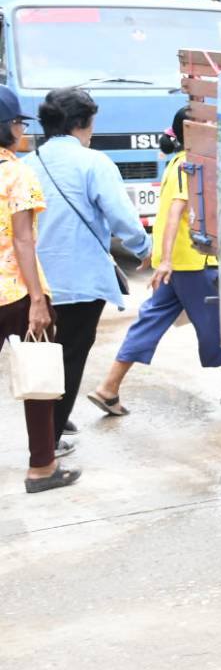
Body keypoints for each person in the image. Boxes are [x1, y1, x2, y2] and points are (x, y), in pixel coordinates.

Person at [87, 108, 221, 415]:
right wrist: (166, 260)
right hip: (193, 262)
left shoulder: (175, 163)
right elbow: (175, 213)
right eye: (208, 126)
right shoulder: (191, 165)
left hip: (176, 265)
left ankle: (108, 388)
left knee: (149, 322)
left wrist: (161, 257)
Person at [27, 88, 153, 445]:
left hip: (34, 283)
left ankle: (51, 420)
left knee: (41, 355)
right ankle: (48, 442)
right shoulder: (94, 163)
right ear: (81, 123)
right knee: (70, 355)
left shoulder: (26, 165)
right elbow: (121, 216)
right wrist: (144, 248)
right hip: (80, 280)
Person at [0, 88, 78, 492]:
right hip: (16, 291)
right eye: (18, 123)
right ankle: (42, 468)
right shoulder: (17, 173)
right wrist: (36, 300)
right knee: (39, 378)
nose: (22, 131)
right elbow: (23, 240)